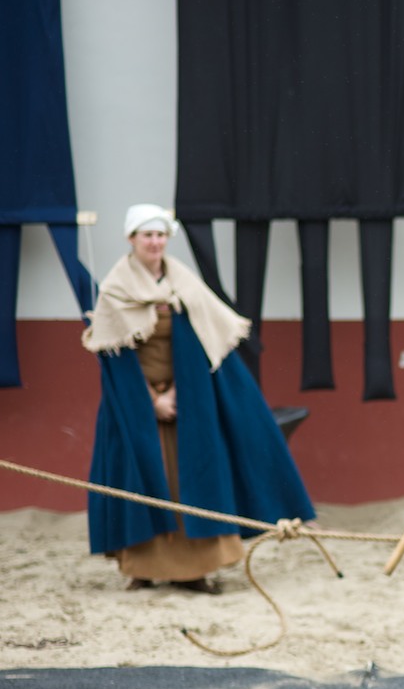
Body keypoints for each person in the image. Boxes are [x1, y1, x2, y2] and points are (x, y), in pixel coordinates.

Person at [82, 204, 314, 592]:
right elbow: (115, 358)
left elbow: (204, 341)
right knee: (143, 479)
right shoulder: (115, 290)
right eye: (147, 235)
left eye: (160, 235)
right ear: (131, 239)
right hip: (136, 405)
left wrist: (179, 391)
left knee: (194, 480)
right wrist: (151, 402)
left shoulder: (183, 284)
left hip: (187, 401)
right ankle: (143, 568)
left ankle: (196, 571)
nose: (155, 242)